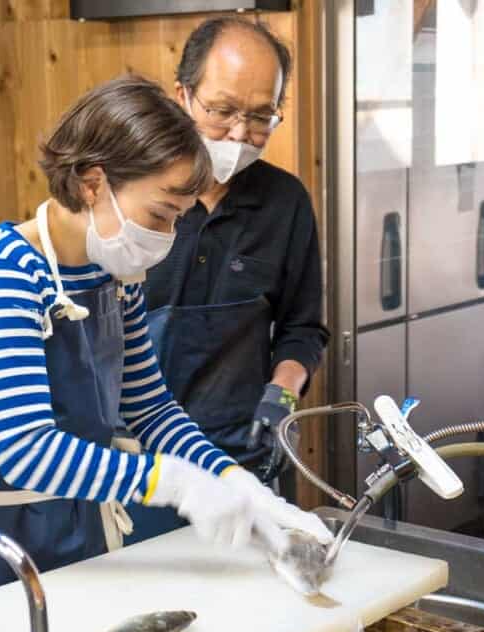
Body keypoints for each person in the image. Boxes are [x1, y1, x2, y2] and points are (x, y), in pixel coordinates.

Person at [0, 76, 332, 612]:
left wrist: (235, 481)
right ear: (92, 183)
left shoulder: (113, 274)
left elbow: (150, 408)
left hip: (81, 542)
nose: (167, 238)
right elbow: (24, 449)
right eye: (160, 215)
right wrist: (174, 483)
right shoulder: (4, 273)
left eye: (177, 219)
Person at [130, 18, 331, 543]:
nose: (240, 133)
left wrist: (280, 396)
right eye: (222, 112)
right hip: (137, 469)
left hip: (242, 454)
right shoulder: (136, 200)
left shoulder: (284, 204)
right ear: (183, 97)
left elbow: (302, 328)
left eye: (261, 116)